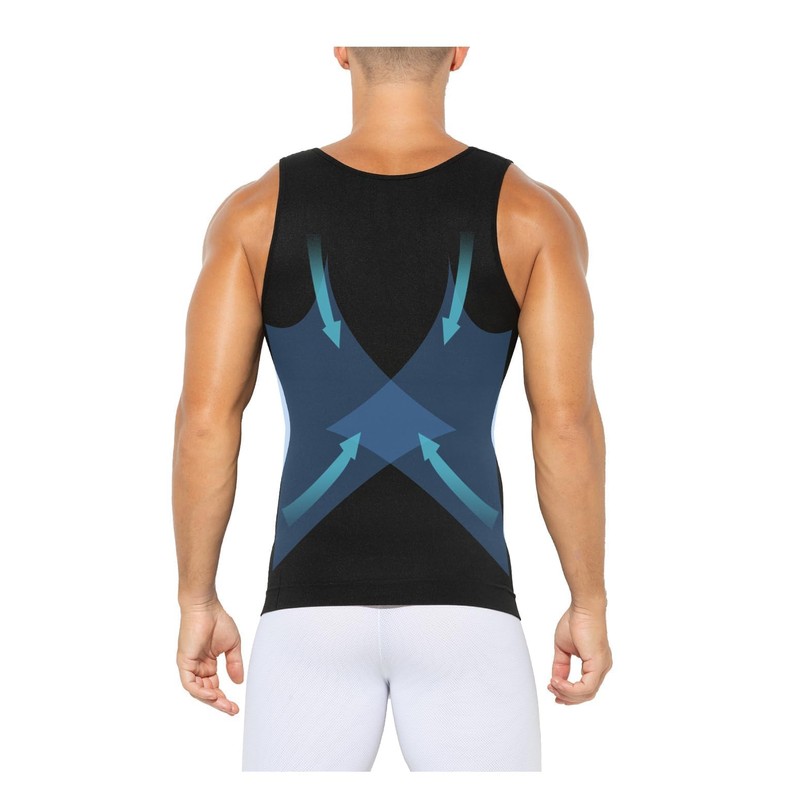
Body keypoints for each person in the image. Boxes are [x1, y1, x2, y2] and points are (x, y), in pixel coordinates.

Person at [173, 46, 612, 772]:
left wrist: (197, 598)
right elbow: (565, 425)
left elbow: (205, 420)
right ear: (459, 52)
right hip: (466, 610)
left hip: (308, 610)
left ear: (342, 50)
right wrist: (587, 601)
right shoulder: (532, 213)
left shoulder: (254, 212)